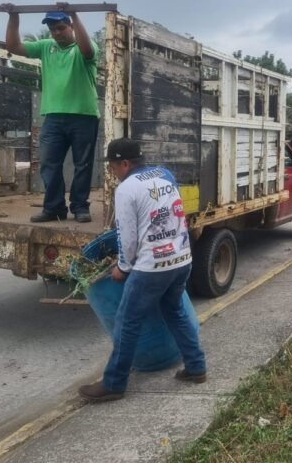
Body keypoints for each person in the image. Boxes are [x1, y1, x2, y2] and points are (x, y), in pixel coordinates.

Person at [78, 138, 207, 402]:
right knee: (175, 311)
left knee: (127, 321)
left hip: (152, 266)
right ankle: (196, 367)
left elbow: (127, 237)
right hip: (181, 259)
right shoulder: (165, 174)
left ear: (125, 163)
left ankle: (114, 383)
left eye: (114, 167)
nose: (113, 173)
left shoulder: (127, 189)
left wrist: (123, 268)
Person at [3, 4, 99, 223]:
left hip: (83, 116)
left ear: (71, 26)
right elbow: (13, 46)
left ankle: (80, 207)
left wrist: (75, 13)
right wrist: (13, 17)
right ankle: (55, 208)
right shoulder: (47, 47)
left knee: (82, 164)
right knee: (48, 164)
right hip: (53, 117)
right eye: (53, 29)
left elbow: (87, 51)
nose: (56, 33)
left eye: (61, 28)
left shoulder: (84, 47)